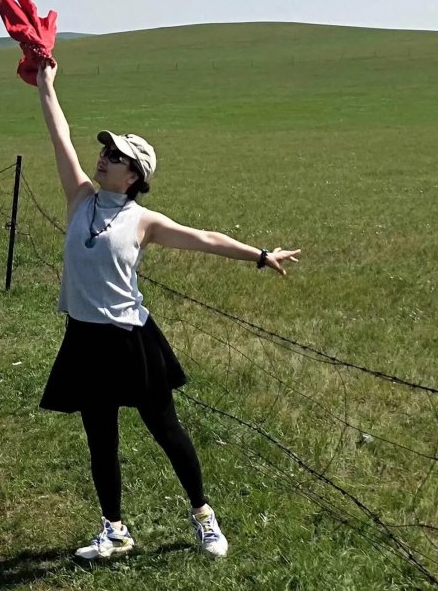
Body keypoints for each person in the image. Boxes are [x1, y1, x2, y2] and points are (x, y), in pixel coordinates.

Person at [35, 61, 301, 561]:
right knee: (100, 439)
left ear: (135, 175)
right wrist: (46, 85)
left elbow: (205, 239)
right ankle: (113, 529)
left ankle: (204, 517)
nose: (103, 157)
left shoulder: (143, 220)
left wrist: (261, 256)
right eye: (105, 149)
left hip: (131, 339)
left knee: (166, 430)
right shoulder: (80, 199)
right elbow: (60, 136)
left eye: (115, 155)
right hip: (84, 338)